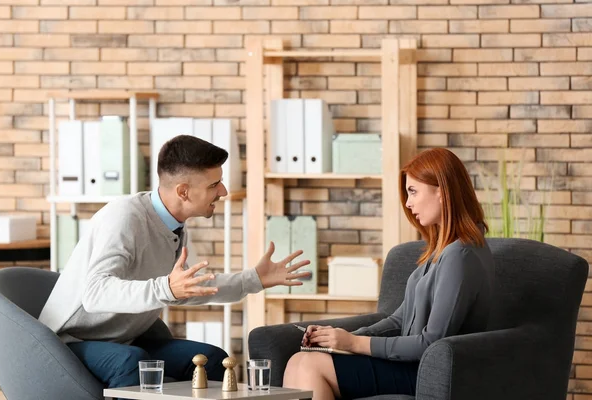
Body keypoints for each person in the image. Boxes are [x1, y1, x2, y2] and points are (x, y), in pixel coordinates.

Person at [39, 135, 310, 390]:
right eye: (214, 184)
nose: (224, 191)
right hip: (71, 340)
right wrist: (166, 289)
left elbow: (182, 290)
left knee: (212, 358)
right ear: (183, 191)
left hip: (124, 338)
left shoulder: (173, 226)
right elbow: (95, 294)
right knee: (128, 362)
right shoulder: (125, 218)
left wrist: (253, 279)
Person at [283, 147, 495, 399]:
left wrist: (354, 344)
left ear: (441, 191)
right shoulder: (442, 250)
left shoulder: (461, 256)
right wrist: (340, 339)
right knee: (299, 361)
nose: (408, 203)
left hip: (427, 372)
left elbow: (431, 342)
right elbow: (398, 321)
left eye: (413, 191)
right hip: (410, 365)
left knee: (309, 366)